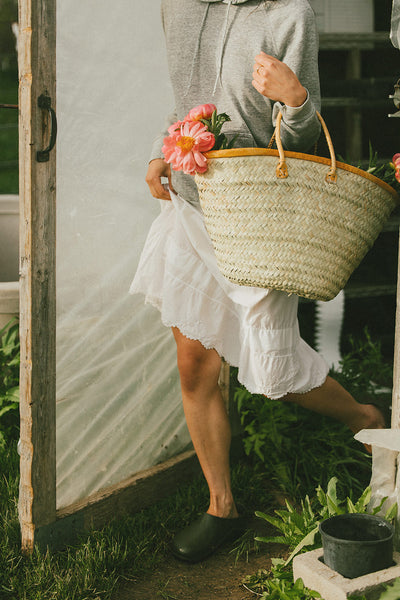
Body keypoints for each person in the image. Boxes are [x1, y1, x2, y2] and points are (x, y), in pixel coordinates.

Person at [130, 0, 385, 563]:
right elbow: (187, 99)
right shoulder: (178, 8)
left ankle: (365, 418)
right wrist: (160, 152)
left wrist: (294, 98)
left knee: (273, 363)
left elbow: (302, 148)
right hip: (196, 204)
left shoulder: (289, 15)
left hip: (260, 215)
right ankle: (222, 507)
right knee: (194, 360)